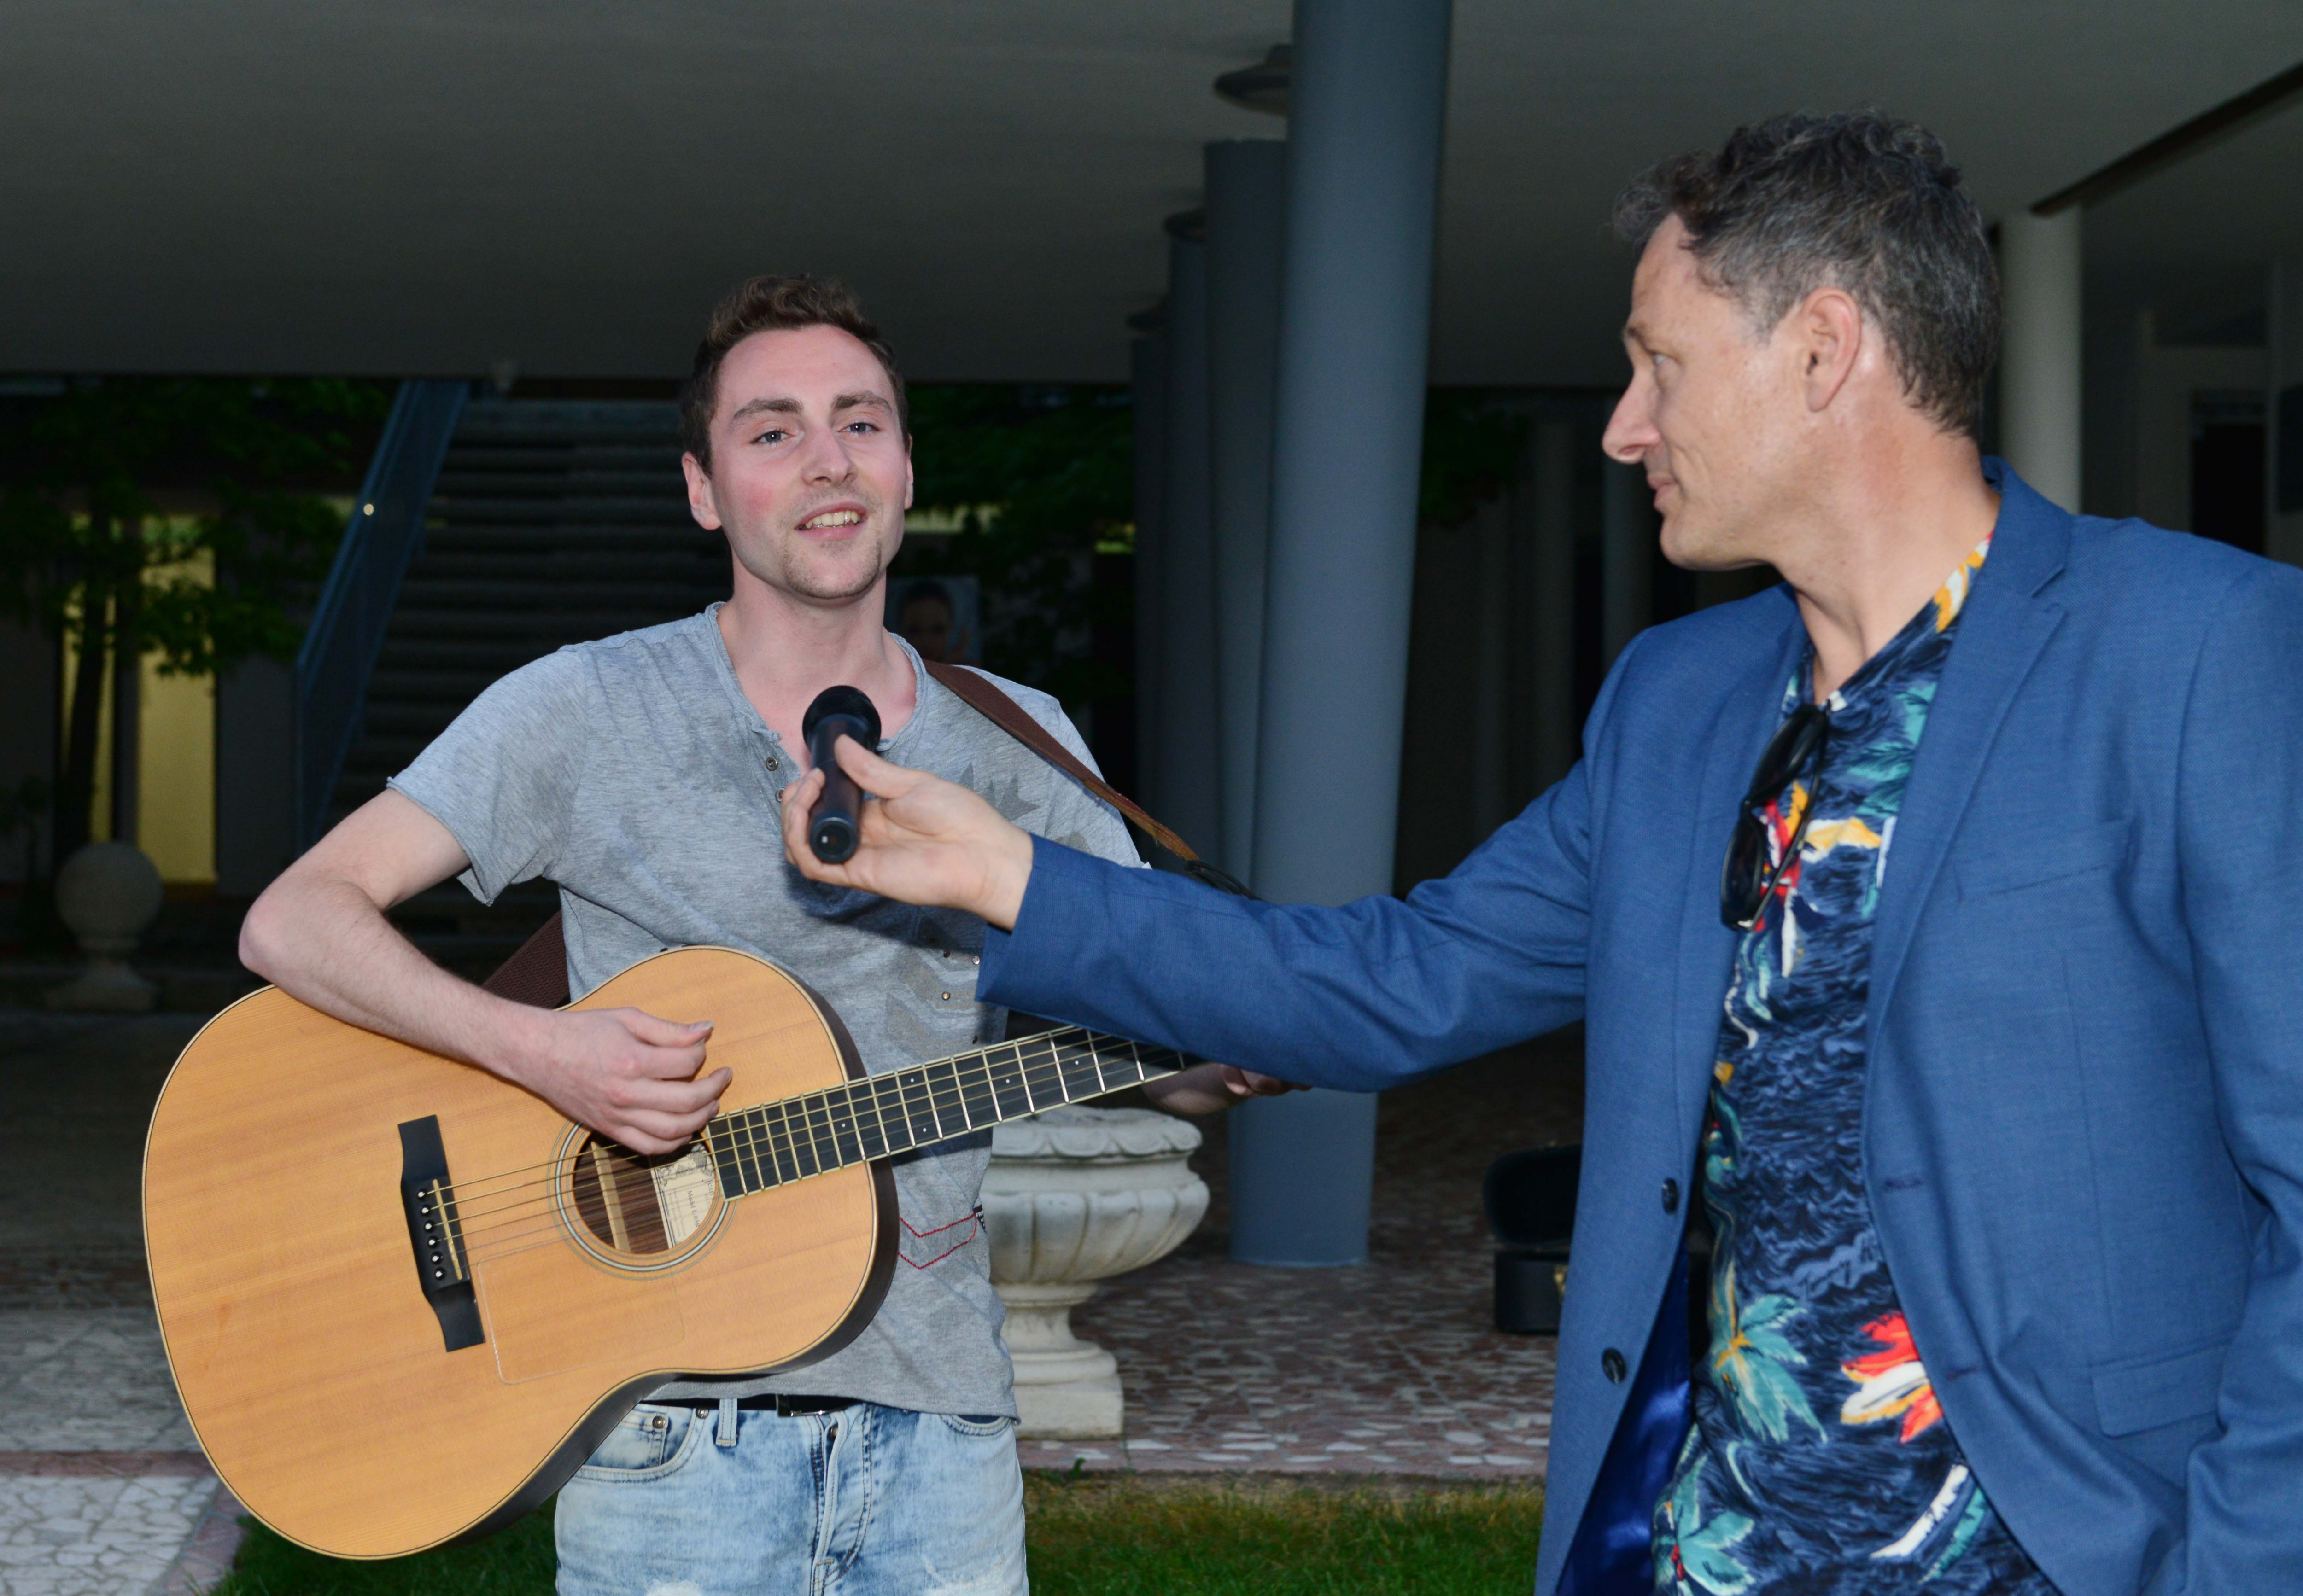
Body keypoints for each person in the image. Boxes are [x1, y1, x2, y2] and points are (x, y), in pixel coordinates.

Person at [781, 113, 2303, 1596]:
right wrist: (1009, 876)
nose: (1626, 426)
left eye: (1661, 365)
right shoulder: (1679, 701)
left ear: (1824, 349)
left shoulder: (2197, 653)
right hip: (1707, 1549)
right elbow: (1393, 979)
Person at [237, 274, 1281, 1596]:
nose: (828, 459)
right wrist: (538, 1052)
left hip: (944, 1448)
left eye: (861, 421)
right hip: (665, 1452)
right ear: (703, 489)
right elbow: (295, 918)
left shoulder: (1021, 746)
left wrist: (1235, 1050)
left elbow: (1149, 1039)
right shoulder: (584, 707)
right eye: (773, 430)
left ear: (907, 467)